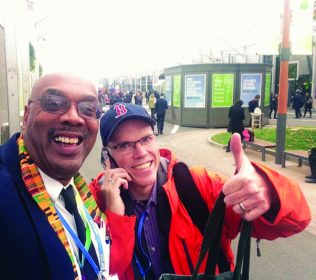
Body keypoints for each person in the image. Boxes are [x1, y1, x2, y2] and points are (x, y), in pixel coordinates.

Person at [0, 73, 127, 280]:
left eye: (88, 109)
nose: (73, 117)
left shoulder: (81, 193)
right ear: (26, 117)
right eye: (54, 103)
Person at [89, 103, 310, 280]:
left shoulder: (195, 184)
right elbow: (102, 272)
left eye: (146, 139)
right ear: (107, 156)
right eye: (125, 145)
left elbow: (297, 220)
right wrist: (115, 217)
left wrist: (268, 191)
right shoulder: (93, 202)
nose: (140, 153)